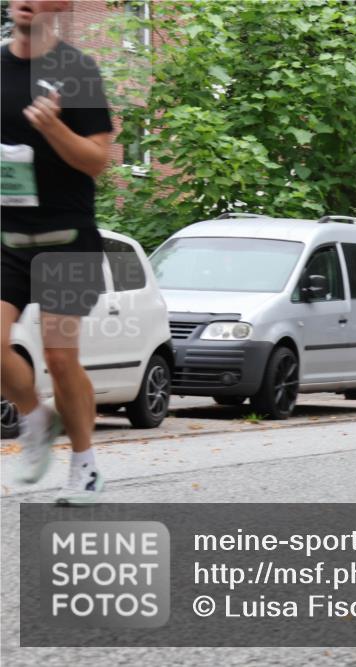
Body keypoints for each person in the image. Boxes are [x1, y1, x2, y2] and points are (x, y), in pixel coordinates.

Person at [1, 0, 113, 504]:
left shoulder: (77, 71)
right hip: (6, 235)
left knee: (61, 358)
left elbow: (97, 160)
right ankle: (35, 417)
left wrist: (53, 128)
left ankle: (85, 467)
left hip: (66, 238)